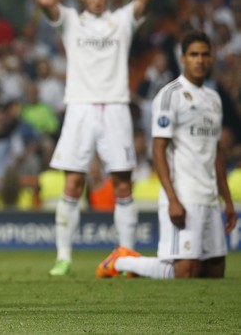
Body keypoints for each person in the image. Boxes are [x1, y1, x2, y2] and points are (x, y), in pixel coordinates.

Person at [35, 0, 156, 276]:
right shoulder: (71, 20)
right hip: (80, 108)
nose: (97, 0)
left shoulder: (123, 19)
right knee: (73, 183)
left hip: (116, 106)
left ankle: (126, 255)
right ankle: (63, 256)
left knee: (123, 183)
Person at [96, 31, 237, 279]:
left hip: (209, 196)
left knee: (214, 271)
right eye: (194, 54)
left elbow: (215, 152)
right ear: (183, 58)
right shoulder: (170, 95)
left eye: (205, 54)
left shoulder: (214, 99)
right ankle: (122, 262)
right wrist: (172, 198)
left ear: (211, 58)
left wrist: (226, 199)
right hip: (183, 192)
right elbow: (158, 149)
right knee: (184, 272)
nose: (200, 60)